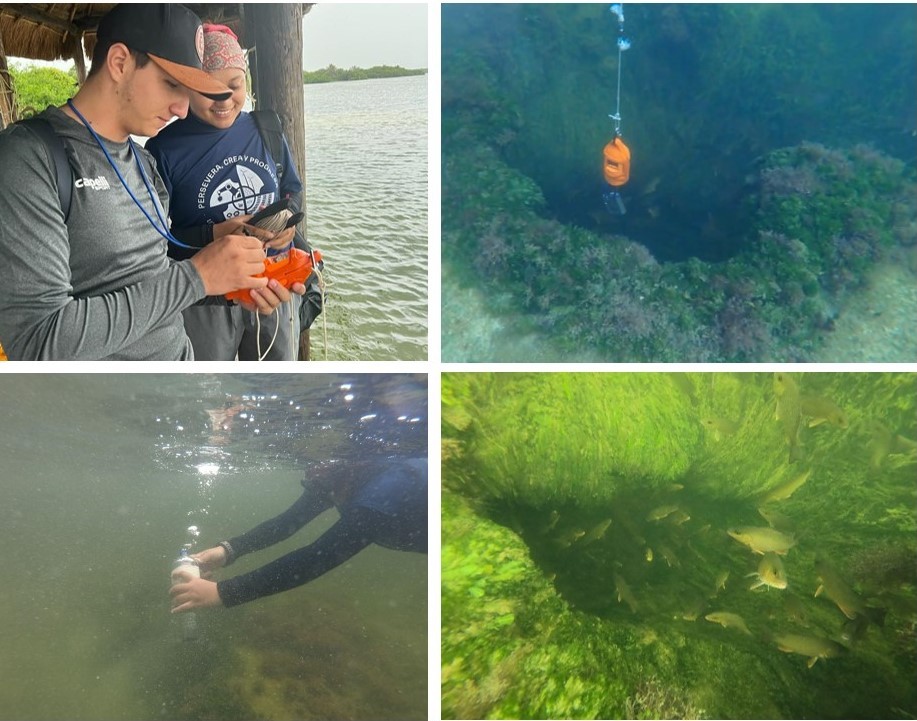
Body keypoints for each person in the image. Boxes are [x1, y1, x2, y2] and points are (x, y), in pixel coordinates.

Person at [0, 4, 303, 360]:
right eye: (172, 84)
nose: (181, 107)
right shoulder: (30, 159)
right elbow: (39, 344)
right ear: (119, 62)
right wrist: (198, 276)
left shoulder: (144, 162)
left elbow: (155, 283)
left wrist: (237, 287)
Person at [145, 24, 321, 361]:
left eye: (234, 85)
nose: (224, 99)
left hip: (273, 286)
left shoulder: (265, 128)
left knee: (275, 387)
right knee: (210, 394)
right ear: (186, 88)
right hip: (206, 301)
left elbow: (292, 192)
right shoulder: (162, 150)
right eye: (208, 90)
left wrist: (286, 227)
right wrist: (213, 233)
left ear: (245, 82)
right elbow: (154, 242)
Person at [170, 457, 427, 611]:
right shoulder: (338, 479)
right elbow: (287, 523)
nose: (313, 473)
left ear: (351, 464)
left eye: (322, 468)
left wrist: (223, 592)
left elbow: (319, 557)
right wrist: (227, 551)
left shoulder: (392, 486)